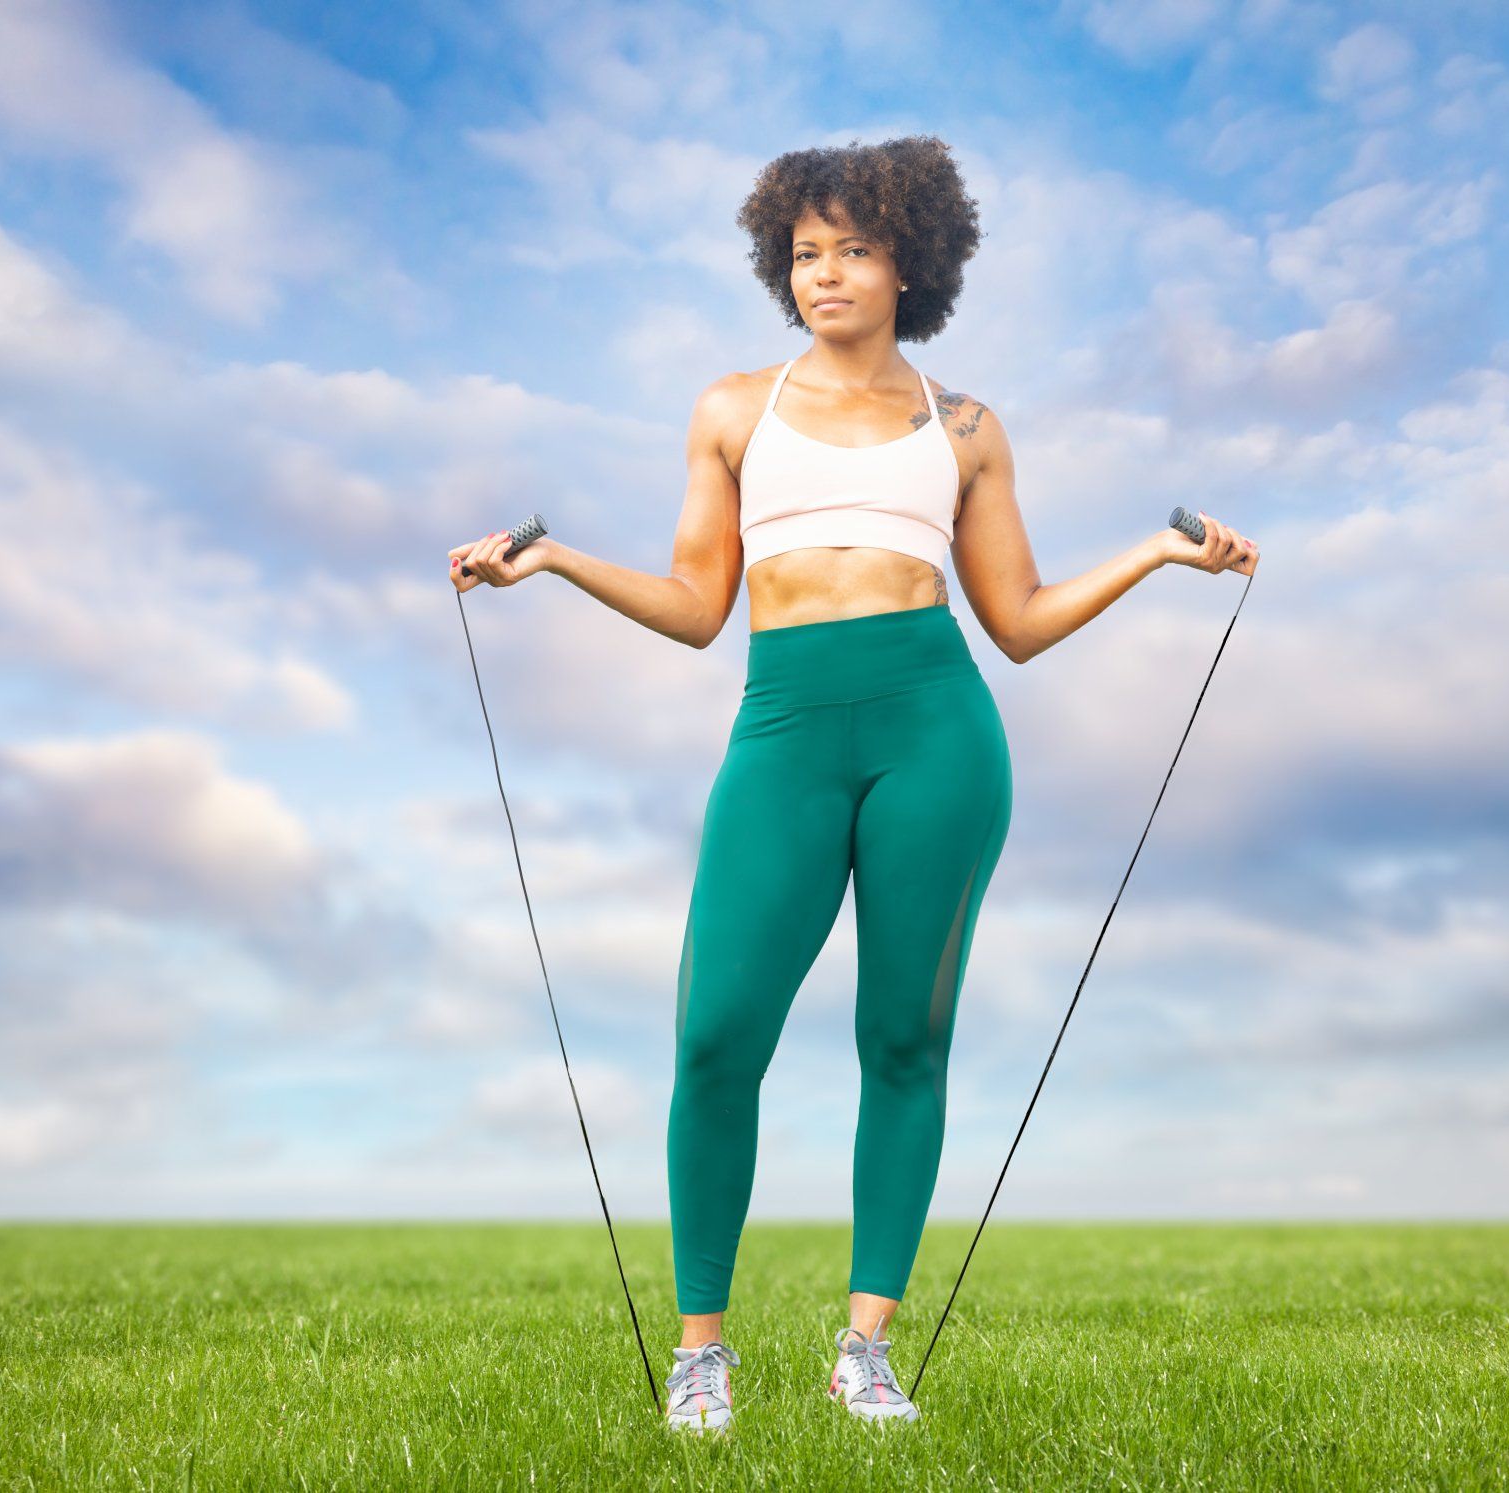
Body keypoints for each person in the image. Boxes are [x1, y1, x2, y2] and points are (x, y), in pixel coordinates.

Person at [447, 135, 1256, 1434]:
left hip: (938, 732)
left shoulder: (971, 428)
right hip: (782, 727)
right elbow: (697, 605)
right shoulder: (730, 409)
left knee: (904, 1038)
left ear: (908, 260)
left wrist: (1161, 555)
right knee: (716, 1033)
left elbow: (1024, 619)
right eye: (805, 252)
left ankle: (864, 1347)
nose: (825, 274)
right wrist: (549, 567)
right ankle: (698, 1349)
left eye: (854, 249)